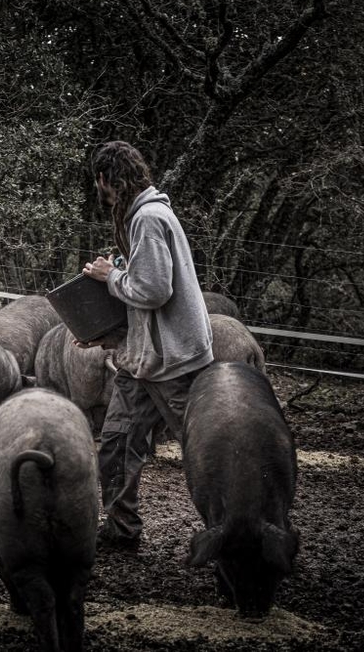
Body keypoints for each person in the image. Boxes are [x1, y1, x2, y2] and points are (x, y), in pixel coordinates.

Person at [78, 141, 213, 551]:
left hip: (174, 363)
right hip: (143, 360)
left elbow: (154, 291)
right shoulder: (142, 217)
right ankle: (122, 530)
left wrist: (109, 277)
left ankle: (236, 534)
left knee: (204, 455)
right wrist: (111, 333)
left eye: (98, 183)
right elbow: (146, 298)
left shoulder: (149, 218)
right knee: (117, 443)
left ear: (106, 179)